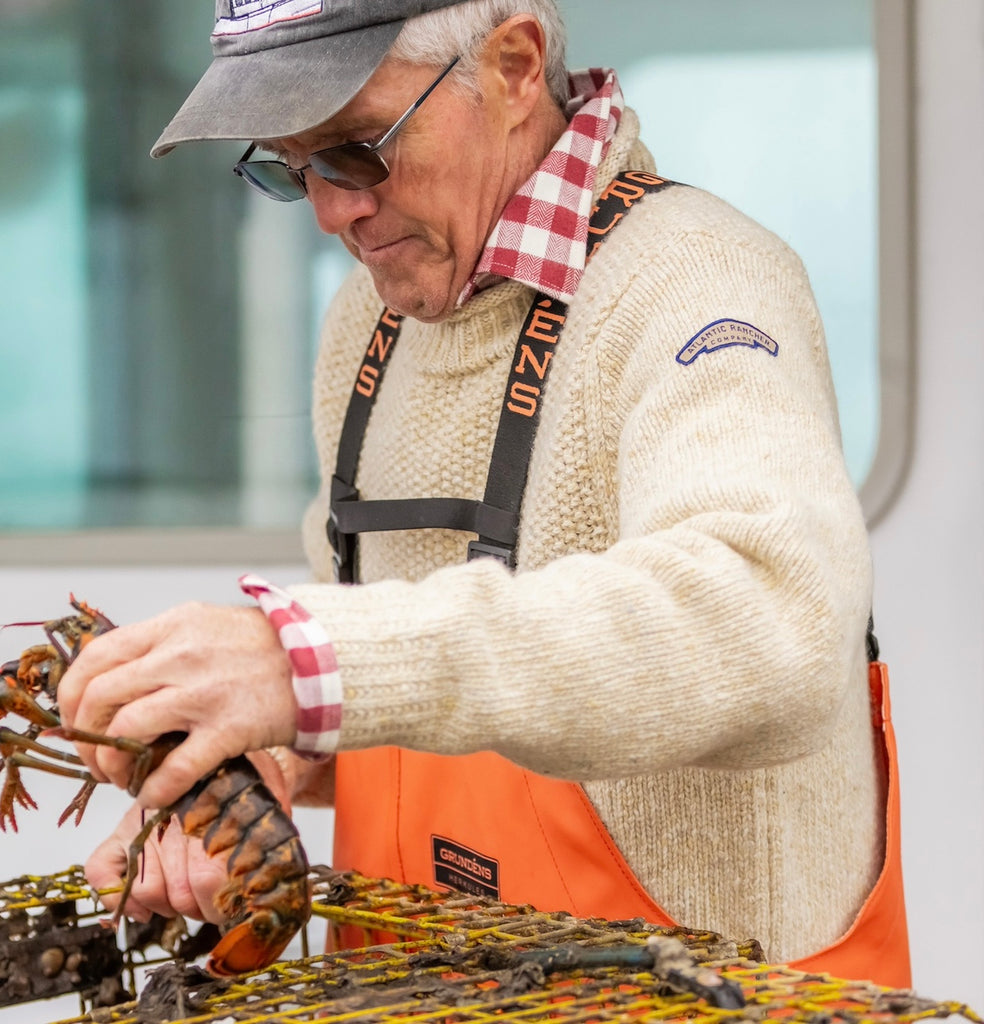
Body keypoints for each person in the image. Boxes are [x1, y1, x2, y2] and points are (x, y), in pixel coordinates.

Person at [57, 0, 911, 985]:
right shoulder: (367, 328)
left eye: (354, 151)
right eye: (289, 170)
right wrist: (262, 773)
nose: (334, 212)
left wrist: (304, 662)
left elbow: (775, 623)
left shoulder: (701, 282)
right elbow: (412, 692)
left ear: (512, 65)